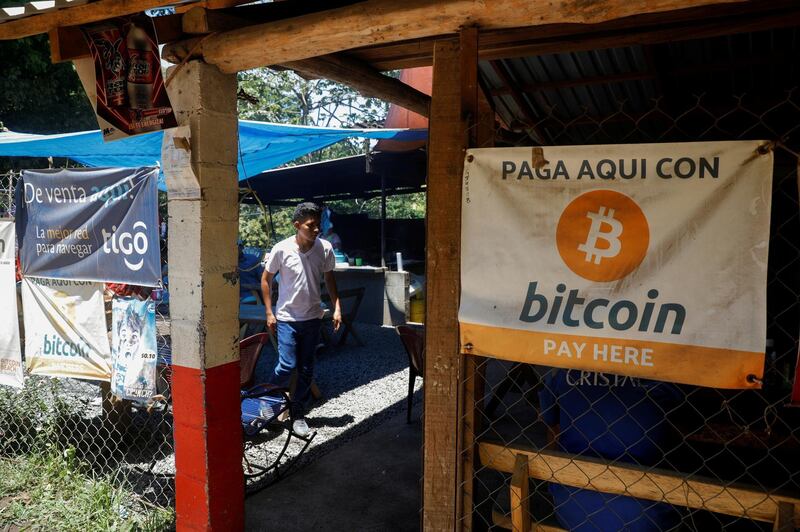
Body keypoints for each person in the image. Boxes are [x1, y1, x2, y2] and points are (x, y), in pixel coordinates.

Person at [539, 369, 684, 531]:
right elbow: (688, 427)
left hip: (570, 506)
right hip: (644, 514)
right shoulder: (665, 367)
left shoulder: (563, 363)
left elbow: (552, 426)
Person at [261, 202, 341, 437]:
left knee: (307, 369)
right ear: (297, 225)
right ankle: (268, 401)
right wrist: (269, 312)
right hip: (287, 318)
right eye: (311, 225)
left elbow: (329, 279)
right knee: (286, 364)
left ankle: (297, 413)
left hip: (313, 318)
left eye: (318, 225)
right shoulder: (281, 249)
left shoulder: (324, 248)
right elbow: (266, 280)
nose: (316, 230)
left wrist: (337, 307)